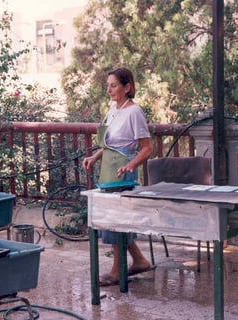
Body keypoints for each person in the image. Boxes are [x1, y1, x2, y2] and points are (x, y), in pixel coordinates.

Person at [82, 67, 154, 286]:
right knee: (112, 218)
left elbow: (147, 148)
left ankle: (116, 270)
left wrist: (130, 165)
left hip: (123, 170)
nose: (109, 90)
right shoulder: (114, 108)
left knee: (116, 219)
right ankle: (140, 261)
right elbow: (111, 144)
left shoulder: (134, 112)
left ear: (127, 87)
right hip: (108, 169)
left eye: (113, 85)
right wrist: (94, 157)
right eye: (108, 86)